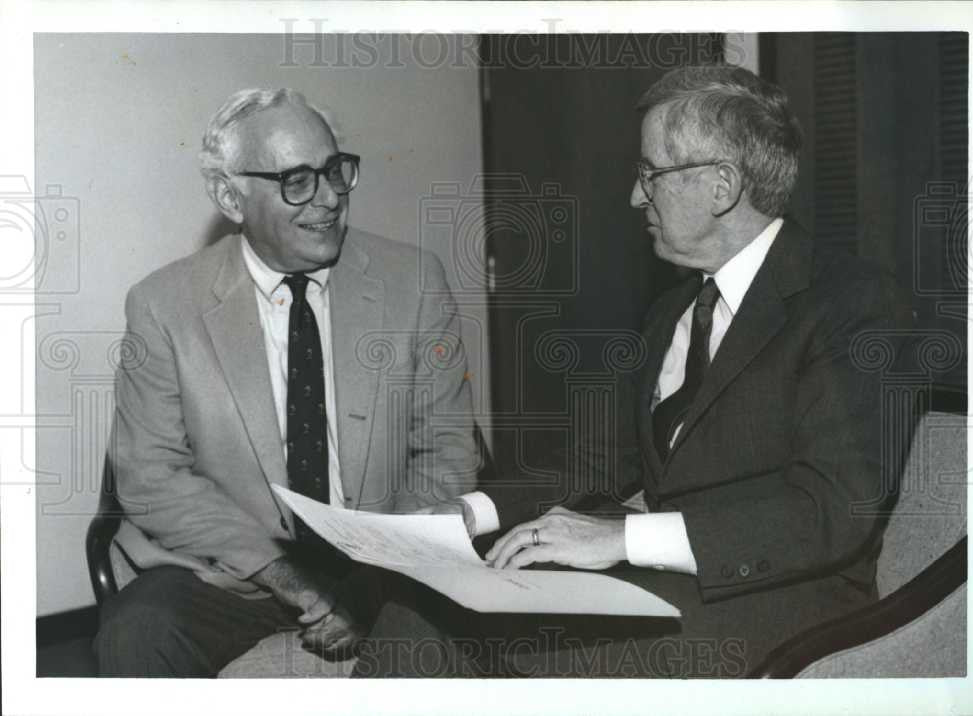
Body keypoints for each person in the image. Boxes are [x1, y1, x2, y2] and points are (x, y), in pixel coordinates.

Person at [348, 64, 913, 678]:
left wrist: (620, 540)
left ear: (721, 185)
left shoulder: (851, 302)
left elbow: (828, 510)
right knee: (416, 613)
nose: (634, 196)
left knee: (532, 651)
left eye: (651, 174)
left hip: (783, 605)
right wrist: (470, 511)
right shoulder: (672, 309)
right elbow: (598, 464)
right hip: (662, 584)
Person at [93, 88, 480, 677]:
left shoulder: (414, 283)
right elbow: (151, 476)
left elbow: (444, 455)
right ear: (230, 195)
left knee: (448, 649)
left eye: (334, 172)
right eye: (297, 180)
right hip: (231, 573)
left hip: (381, 569)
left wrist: (375, 580)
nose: (327, 199)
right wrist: (287, 579)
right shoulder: (163, 305)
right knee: (137, 634)